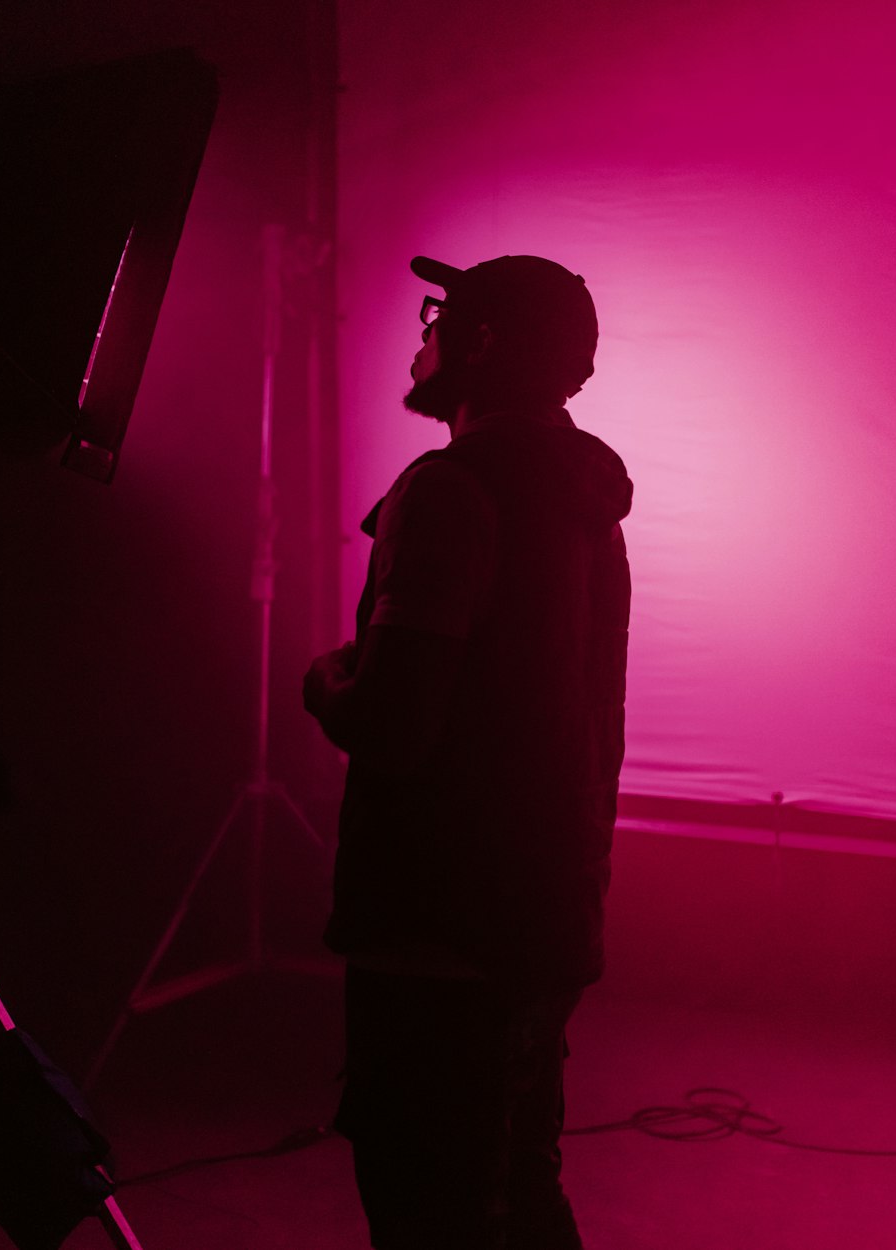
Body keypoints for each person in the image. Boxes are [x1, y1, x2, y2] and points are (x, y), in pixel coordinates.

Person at [303, 253, 633, 1250]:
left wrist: (327, 678)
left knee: (441, 1200)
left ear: (482, 343)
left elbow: (396, 724)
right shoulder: (578, 493)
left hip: (445, 927)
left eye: (438, 317)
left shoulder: (450, 492)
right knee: (507, 1180)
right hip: (534, 907)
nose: (422, 336)